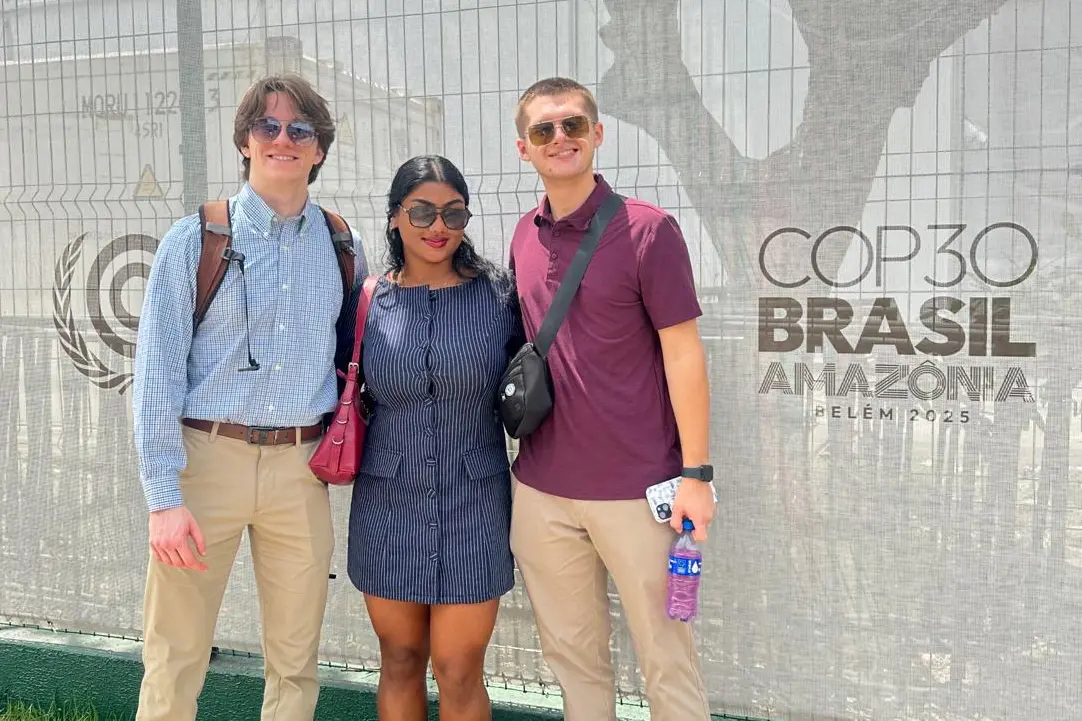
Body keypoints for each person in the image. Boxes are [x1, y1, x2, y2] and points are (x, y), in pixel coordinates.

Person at [131, 74, 367, 721]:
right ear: (244, 140)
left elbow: (354, 360)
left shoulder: (344, 246)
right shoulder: (198, 238)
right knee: (175, 653)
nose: (283, 139)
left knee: (296, 661)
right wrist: (163, 499)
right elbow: (156, 372)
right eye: (268, 126)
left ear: (319, 148)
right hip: (206, 461)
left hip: (300, 469)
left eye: (300, 129)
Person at [507, 76, 716, 721]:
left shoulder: (649, 231)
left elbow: (684, 354)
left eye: (572, 125)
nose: (560, 138)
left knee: (667, 660)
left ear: (597, 135)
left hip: (639, 494)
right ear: (525, 149)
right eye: (544, 130)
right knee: (574, 663)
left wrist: (697, 474)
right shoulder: (521, 236)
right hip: (543, 491)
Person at [346, 155, 521, 721]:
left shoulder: (498, 296)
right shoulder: (367, 301)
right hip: (388, 498)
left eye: (453, 212)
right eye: (421, 211)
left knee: (457, 666)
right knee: (399, 657)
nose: (437, 225)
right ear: (395, 218)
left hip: (476, 500)